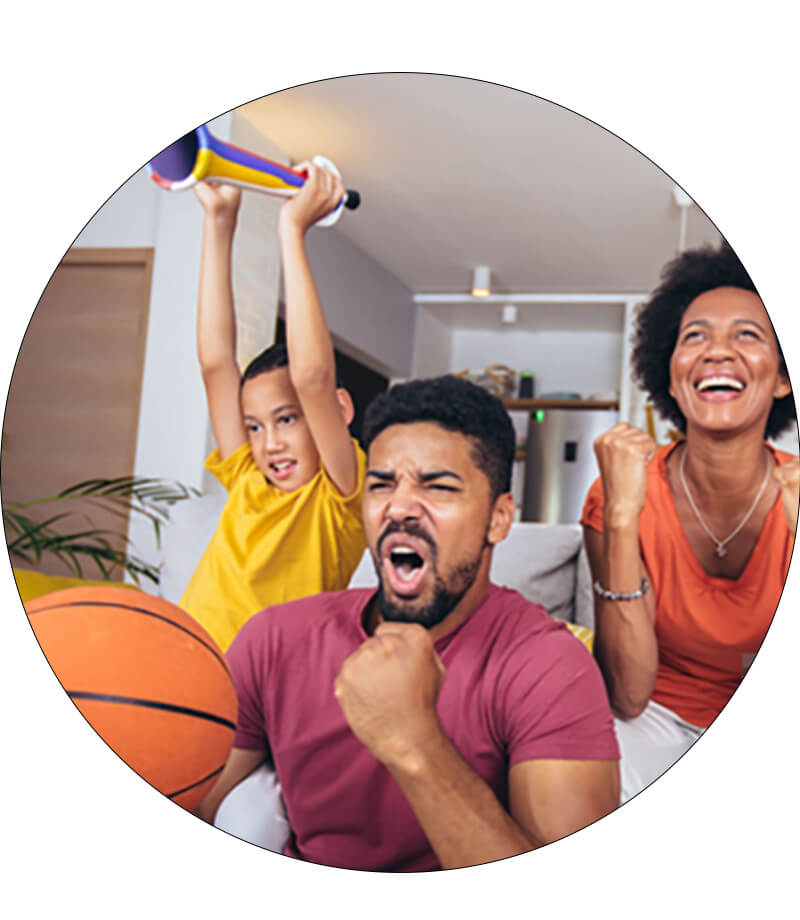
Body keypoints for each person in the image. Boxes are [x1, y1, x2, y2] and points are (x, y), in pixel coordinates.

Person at [197, 376, 620, 872]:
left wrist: (415, 742)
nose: (399, 508)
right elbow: (196, 800)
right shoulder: (275, 639)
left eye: (437, 486)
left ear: (499, 519)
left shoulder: (549, 667)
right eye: (381, 485)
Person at [581, 241, 800, 804]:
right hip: (656, 714)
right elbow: (627, 697)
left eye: (748, 335)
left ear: (782, 378)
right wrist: (623, 517)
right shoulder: (619, 491)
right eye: (695, 336)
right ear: (672, 380)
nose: (717, 352)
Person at [178, 164, 367, 653]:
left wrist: (292, 231)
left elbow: (312, 378)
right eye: (254, 427)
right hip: (187, 663)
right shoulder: (247, 476)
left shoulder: (340, 494)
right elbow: (216, 362)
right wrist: (219, 224)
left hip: (265, 688)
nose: (269, 444)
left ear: (339, 410)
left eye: (287, 419)